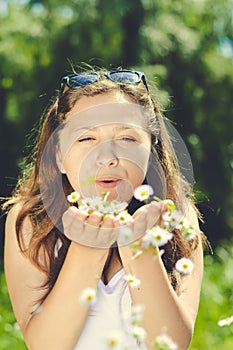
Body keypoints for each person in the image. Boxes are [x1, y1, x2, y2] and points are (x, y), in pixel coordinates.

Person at [3, 68, 204, 350]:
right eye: (86, 139)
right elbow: (45, 345)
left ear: (151, 153)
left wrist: (139, 248)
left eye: (127, 139)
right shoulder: (32, 221)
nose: (107, 157)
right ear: (59, 156)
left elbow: (171, 343)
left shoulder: (177, 218)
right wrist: (89, 248)